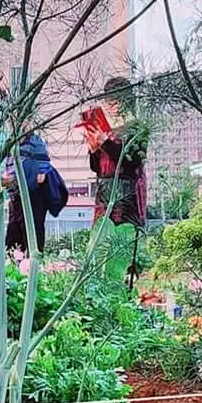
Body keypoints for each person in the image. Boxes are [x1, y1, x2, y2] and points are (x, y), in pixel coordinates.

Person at [81, 78, 149, 283]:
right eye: (108, 101)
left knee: (126, 242)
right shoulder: (105, 129)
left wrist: (106, 143)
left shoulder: (137, 127)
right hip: (105, 191)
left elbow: (132, 162)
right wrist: (94, 149)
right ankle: (101, 282)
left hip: (127, 191)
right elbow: (97, 167)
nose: (111, 105)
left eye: (115, 100)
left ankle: (128, 282)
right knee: (101, 240)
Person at [5, 124, 55, 255]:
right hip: (15, 196)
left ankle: (32, 262)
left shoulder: (35, 142)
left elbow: (41, 176)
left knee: (31, 234)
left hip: (32, 196)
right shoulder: (10, 143)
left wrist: (15, 180)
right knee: (13, 236)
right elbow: (9, 171)